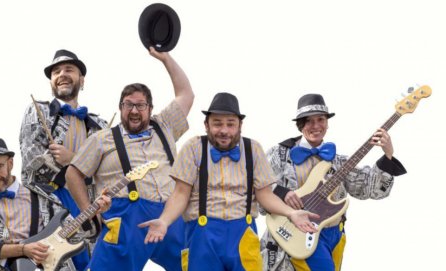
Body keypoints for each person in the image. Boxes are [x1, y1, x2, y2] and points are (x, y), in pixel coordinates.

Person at [139, 92, 318, 271]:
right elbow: (180, 194)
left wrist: (291, 213)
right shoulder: (193, 148)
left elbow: (265, 195)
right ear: (206, 125)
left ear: (240, 125)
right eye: (217, 123)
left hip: (242, 235)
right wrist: (164, 221)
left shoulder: (253, 149)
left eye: (230, 124)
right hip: (201, 237)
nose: (224, 130)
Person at [65, 47, 194, 271]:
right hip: (125, 223)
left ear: (150, 108)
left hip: (171, 217)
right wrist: (89, 215)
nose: (134, 111)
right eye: (128, 105)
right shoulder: (101, 139)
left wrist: (165, 58)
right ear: (120, 107)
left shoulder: (164, 125)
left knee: (195, 265)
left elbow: (186, 94)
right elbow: (73, 173)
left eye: (140, 105)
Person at [259, 93, 407, 271]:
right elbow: (257, 185)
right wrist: (283, 193)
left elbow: (371, 189)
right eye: (309, 121)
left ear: (327, 123)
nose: (316, 126)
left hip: (333, 234)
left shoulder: (338, 162)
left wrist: (388, 154)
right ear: (300, 125)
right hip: (294, 231)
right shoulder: (279, 155)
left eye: (321, 120)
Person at [19, 49, 108, 270]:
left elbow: (106, 171)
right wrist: (74, 174)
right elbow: (31, 162)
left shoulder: (101, 125)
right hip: (51, 202)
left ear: (82, 79)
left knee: (95, 261)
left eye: (69, 69)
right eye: (56, 71)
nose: (62, 74)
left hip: (88, 205)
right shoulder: (37, 110)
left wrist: (73, 160)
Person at [0, 138, 109, 271]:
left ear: (10, 163)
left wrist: (94, 212)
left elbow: (77, 232)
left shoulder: (42, 195)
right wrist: (23, 249)